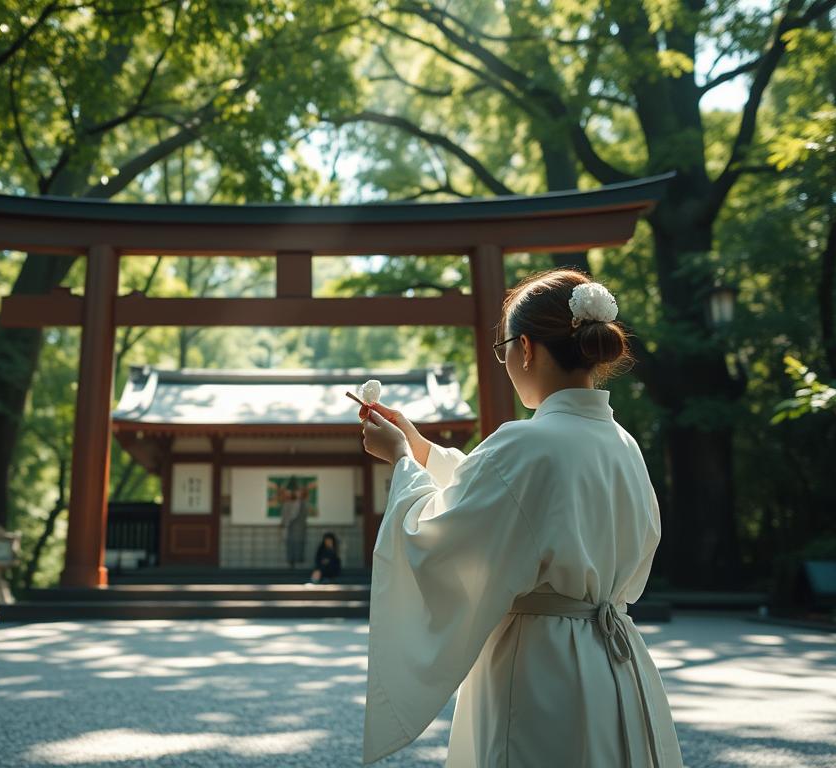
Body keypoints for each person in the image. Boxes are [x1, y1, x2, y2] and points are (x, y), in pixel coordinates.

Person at [358, 269, 683, 767]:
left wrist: (402, 461)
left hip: (540, 662)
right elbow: (510, 501)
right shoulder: (622, 444)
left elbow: (440, 535)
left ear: (525, 348)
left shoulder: (526, 443)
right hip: (615, 658)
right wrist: (423, 451)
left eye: (503, 348)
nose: (505, 361)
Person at [279, 477, 309, 568]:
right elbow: (286, 517)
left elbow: (296, 515)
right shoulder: (287, 504)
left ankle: (297, 564)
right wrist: (284, 525)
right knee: (290, 547)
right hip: (290, 531)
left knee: (299, 547)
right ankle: (291, 563)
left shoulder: (302, 503)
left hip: (299, 531)